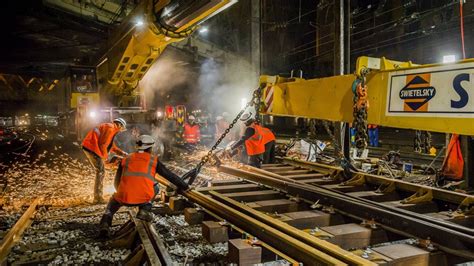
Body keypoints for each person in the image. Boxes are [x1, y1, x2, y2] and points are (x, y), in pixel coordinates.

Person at [98, 135, 191, 237]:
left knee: (111, 204)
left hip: (123, 197)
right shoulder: (153, 160)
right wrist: (185, 186)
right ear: (150, 148)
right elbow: (170, 176)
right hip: (143, 198)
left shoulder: (126, 159)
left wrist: (123, 193)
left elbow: (116, 182)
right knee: (156, 186)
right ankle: (144, 209)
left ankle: (105, 222)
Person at [82, 118, 128, 203]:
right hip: (92, 147)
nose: (121, 131)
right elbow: (103, 145)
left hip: (90, 146)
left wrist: (122, 153)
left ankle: (98, 197)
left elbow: (111, 146)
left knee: (100, 170)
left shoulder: (110, 128)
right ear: (120, 125)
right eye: (122, 128)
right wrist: (105, 158)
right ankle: (98, 198)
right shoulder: (111, 128)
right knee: (100, 171)